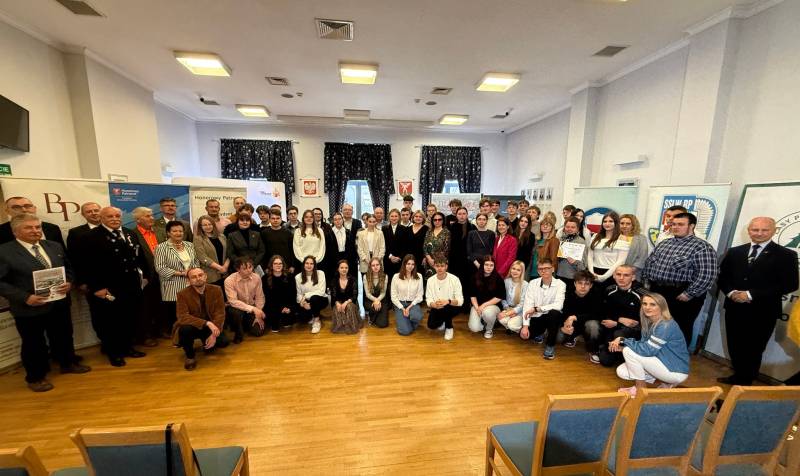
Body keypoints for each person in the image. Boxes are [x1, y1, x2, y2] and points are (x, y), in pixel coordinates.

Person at [0, 214, 90, 392]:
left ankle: (67, 363)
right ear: (15, 231)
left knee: (63, 335)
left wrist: (69, 282)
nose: (35, 231)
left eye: (37, 227)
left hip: (59, 303)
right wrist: (25, 297)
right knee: (34, 343)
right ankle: (35, 377)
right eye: (29, 227)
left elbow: (68, 268)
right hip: (29, 307)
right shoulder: (4, 251)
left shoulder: (53, 245)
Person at [718, 217, 799, 385]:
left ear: (774, 231)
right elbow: (723, 278)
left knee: (754, 348)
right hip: (734, 307)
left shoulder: (786, 255)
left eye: (765, 230)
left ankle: (746, 381)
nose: (759, 233)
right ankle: (738, 376)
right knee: (735, 344)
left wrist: (750, 294)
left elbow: (790, 284)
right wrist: (731, 292)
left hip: (763, 311)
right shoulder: (735, 252)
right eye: (755, 229)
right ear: (749, 231)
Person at [643, 212, 718, 347]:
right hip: (658, 291)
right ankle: (654, 354)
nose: (675, 227)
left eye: (680, 224)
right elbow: (649, 263)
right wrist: (647, 284)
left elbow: (707, 275)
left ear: (691, 226)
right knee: (655, 324)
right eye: (673, 224)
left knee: (679, 328)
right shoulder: (664, 243)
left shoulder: (702, 247)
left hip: (682, 294)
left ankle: (677, 356)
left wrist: (689, 293)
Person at [84, 207, 147, 367]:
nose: (114, 218)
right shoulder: (91, 236)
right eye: (110, 216)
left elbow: (139, 256)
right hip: (109, 287)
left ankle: (128, 347)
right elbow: (87, 265)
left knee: (129, 318)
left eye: (117, 215)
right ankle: (114, 353)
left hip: (131, 285)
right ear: (102, 218)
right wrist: (97, 287)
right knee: (111, 322)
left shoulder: (129, 233)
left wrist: (145, 276)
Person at [610, 292, 689, 397]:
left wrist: (624, 340)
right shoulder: (649, 322)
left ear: (662, 307)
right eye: (645, 304)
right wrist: (624, 346)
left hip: (675, 370)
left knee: (628, 351)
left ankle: (640, 389)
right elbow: (644, 345)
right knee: (622, 371)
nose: (647, 307)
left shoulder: (665, 325)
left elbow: (647, 351)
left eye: (653, 304)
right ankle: (666, 383)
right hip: (661, 361)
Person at [590, 265, 644, 367]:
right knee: (605, 361)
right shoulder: (609, 290)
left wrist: (617, 323)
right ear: (614, 276)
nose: (621, 278)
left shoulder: (641, 294)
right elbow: (601, 311)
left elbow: (637, 323)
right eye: (618, 274)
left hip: (631, 332)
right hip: (612, 326)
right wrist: (619, 319)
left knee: (620, 332)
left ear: (633, 277)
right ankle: (603, 348)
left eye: (626, 275)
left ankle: (627, 354)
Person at [175, 267, 227, 371]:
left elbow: (220, 313)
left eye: (200, 275)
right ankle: (190, 356)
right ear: (188, 280)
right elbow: (182, 317)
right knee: (185, 329)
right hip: (193, 327)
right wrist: (207, 323)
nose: (198, 278)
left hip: (210, 327)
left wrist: (214, 334)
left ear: (205, 276)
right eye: (193, 277)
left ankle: (206, 342)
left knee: (223, 343)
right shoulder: (182, 294)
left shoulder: (216, 289)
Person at [154, 221, 200, 333]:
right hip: (173, 285)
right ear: (168, 233)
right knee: (176, 314)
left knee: (191, 311)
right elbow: (160, 268)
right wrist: (181, 273)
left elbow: (196, 262)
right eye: (174, 231)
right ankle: (177, 335)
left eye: (180, 231)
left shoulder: (189, 245)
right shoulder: (161, 247)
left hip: (191, 284)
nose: (178, 233)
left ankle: (191, 332)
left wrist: (192, 272)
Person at [521, 258, 566, 360]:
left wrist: (538, 308)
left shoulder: (561, 284)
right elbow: (527, 305)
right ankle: (541, 332)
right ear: (538, 271)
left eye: (547, 268)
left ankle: (550, 345)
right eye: (541, 269)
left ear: (553, 269)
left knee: (554, 313)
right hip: (538, 318)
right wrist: (525, 326)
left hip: (552, 318)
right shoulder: (532, 283)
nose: (543, 271)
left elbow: (559, 305)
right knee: (524, 336)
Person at [129, 207, 162, 346]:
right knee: (146, 307)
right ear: (138, 219)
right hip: (146, 276)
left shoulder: (160, 231)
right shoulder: (132, 234)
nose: (152, 218)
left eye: (151, 215)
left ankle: (161, 330)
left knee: (161, 304)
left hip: (163, 274)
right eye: (147, 216)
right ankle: (146, 334)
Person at [559, 270, 603, 357]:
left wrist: (574, 317)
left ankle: (593, 350)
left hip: (587, 324)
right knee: (558, 338)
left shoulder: (596, 294)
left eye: (586, 284)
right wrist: (563, 327)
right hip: (572, 324)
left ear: (591, 285)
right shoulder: (567, 294)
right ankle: (574, 336)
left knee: (593, 325)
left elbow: (597, 314)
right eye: (580, 283)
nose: (583, 286)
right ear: (575, 283)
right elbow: (563, 313)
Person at [224, 257, 265, 342]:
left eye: (250, 267)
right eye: (245, 268)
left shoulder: (257, 277)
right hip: (237, 308)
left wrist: (258, 312)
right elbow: (233, 301)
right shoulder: (229, 280)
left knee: (259, 332)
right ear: (238, 269)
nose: (249, 270)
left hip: (251, 307)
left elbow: (260, 297)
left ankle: (245, 325)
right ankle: (238, 332)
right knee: (235, 313)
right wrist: (253, 309)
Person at [0, 196, 66, 248]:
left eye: (27, 206)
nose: (24, 210)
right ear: (7, 211)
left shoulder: (52, 228)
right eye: (16, 207)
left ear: (34, 208)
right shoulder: (2, 231)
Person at [425, 255, 464, 341]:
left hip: (452, 306)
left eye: (442, 266)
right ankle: (444, 320)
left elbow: (460, 301)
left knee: (446, 308)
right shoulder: (430, 280)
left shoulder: (454, 279)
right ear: (434, 266)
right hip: (437, 306)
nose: (440, 268)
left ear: (446, 266)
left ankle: (449, 327)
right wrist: (433, 305)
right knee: (431, 325)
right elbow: (428, 298)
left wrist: (448, 301)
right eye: (437, 266)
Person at [467, 256, 506, 339]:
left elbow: (499, 296)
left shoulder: (498, 278)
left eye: (491, 265)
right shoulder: (475, 277)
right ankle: (485, 322)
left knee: (488, 314)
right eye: (486, 265)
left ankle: (489, 329)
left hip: (493, 306)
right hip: (477, 305)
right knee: (474, 328)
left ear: (494, 266)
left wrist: (484, 305)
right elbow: (472, 295)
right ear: (482, 265)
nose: (489, 267)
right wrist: (477, 308)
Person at [587, 212, 630, 287]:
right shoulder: (595, 236)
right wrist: (591, 273)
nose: (607, 224)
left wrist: (604, 276)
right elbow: (590, 256)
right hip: (594, 272)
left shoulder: (622, 238)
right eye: (605, 221)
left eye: (610, 221)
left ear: (616, 223)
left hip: (611, 273)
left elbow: (621, 261)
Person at [66, 202, 102, 287]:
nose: (93, 213)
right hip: (91, 281)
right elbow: (73, 259)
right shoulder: (75, 233)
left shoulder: (113, 229)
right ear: (83, 215)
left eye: (96, 210)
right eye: (89, 211)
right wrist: (81, 282)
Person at [391, 254, 424, 336]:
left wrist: (409, 308)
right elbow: (393, 297)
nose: (410, 266)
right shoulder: (396, 277)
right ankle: (404, 322)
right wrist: (402, 308)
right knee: (405, 332)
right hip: (400, 304)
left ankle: (405, 321)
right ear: (404, 264)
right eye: (408, 264)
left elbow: (420, 295)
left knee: (417, 316)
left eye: (412, 264)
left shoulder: (419, 276)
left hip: (412, 304)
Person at [261, 255, 295, 332]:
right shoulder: (265, 278)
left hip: (287, 305)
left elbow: (293, 295)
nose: (278, 265)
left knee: (287, 324)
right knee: (275, 327)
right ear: (271, 265)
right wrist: (280, 308)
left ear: (283, 265)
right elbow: (268, 297)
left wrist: (288, 307)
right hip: (272, 306)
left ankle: (285, 317)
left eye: (280, 263)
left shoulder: (289, 277)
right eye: (275, 263)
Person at [295, 256, 328, 334]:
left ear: (314, 265)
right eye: (307, 263)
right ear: (303, 264)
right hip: (306, 301)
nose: (309, 265)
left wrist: (306, 295)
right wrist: (303, 303)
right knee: (303, 318)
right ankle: (314, 314)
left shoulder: (320, 273)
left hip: (321, 299)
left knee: (314, 298)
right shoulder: (298, 277)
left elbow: (321, 291)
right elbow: (299, 294)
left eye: (311, 263)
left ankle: (317, 321)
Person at [194, 215, 229, 287]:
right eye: (205, 225)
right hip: (211, 274)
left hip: (225, 273)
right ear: (200, 227)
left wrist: (225, 266)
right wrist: (220, 268)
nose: (208, 226)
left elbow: (229, 252)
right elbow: (202, 257)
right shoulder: (198, 238)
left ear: (213, 225)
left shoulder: (222, 236)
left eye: (210, 224)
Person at [555, 217, 588, 292]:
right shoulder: (561, 239)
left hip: (572, 278)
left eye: (573, 227)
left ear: (577, 229)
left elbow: (583, 266)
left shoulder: (581, 242)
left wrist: (575, 262)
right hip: (559, 276)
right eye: (567, 227)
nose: (569, 229)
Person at [447, 207, 475, 292]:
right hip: (454, 260)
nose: (462, 216)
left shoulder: (472, 227)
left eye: (464, 214)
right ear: (456, 215)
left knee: (467, 282)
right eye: (459, 214)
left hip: (468, 260)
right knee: (454, 282)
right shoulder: (451, 227)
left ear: (467, 215)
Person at [330, 260, 361, 334]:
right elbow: (333, 296)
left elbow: (354, 296)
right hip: (338, 302)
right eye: (342, 268)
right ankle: (342, 325)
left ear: (348, 269)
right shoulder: (334, 281)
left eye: (346, 268)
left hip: (350, 302)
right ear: (338, 269)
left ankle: (351, 326)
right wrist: (337, 303)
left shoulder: (353, 280)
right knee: (337, 308)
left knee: (349, 307)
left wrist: (346, 303)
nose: (344, 269)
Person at [497, 260, 528, 333]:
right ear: (510, 269)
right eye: (513, 268)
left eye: (518, 270)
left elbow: (522, 304)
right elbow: (503, 298)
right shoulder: (506, 281)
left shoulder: (525, 284)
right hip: (508, 308)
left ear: (522, 272)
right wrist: (507, 309)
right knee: (501, 319)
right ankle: (511, 327)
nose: (515, 271)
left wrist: (512, 312)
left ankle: (519, 329)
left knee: (512, 325)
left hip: (519, 311)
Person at [293, 210, 326, 279]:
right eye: (306, 217)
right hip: (302, 262)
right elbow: (296, 247)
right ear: (303, 219)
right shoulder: (298, 231)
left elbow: (322, 246)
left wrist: (316, 260)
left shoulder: (320, 231)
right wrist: (304, 261)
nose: (309, 219)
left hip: (317, 262)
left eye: (311, 217)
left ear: (314, 218)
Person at [261, 209, 294, 275]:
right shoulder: (264, 233)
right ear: (269, 219)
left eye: (277, 218)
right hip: (270, 266)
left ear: (281, 219)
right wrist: (265, 267)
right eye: (273, 218)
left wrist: (292, 265)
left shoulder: (288, 233)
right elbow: (263, 251)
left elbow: (292, 250)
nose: (275, 220)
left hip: (286, 266)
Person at [620, 214, 649, 281]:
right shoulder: (614, 237)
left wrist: (629, 271)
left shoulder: (641, 238)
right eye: (622, 223)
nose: (624, 226)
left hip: (633, 273)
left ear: (633, 225)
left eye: (628, 224)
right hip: (614, 272)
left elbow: (642, 257)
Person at [382, 209, 407, 285]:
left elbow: (405, 246)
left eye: (396, 216)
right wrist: (390, 256)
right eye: (392, 216)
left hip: (400, 260)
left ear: (399, 217)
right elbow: (383, 245)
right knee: (388, 282)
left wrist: (399, 257)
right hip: (388, 259)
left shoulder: (404, 229)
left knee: (399, 282)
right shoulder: (384, 229)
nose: (394, 218)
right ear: (389, 217)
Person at [330, 212, 357, 279]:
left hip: (347, 258)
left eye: (339, 219)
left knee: (348, 278)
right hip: (334, 259)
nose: (338, 221)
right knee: (336, 279)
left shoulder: (348, 232)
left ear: (342, 220)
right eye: (335, 219)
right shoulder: (329, 233)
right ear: (333, 221)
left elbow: (352, 248)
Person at [363, 258, 389, 328]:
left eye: (377, 265)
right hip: (370, 300)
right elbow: (367, 294)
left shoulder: (385, 276)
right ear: (370, 267)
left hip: (382, 300)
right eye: (373, 265)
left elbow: (383, 293)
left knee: (383, 324)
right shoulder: (365, 276)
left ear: (380, 265)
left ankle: (375, 316)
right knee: (375, 309)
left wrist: (378, 300)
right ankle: (372, 315)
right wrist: (375, 300)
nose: (375, 267)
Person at [423, 212, 451, 278]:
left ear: (443, 220)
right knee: (430, 281)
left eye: (439, 219)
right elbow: (425, 246)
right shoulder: (429, 231)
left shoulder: (446, 232)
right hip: (429, 262)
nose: (437, 221)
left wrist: (436, 261)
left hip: (441, 263)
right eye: (435, 220)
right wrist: (429, 259)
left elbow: (446, 249)